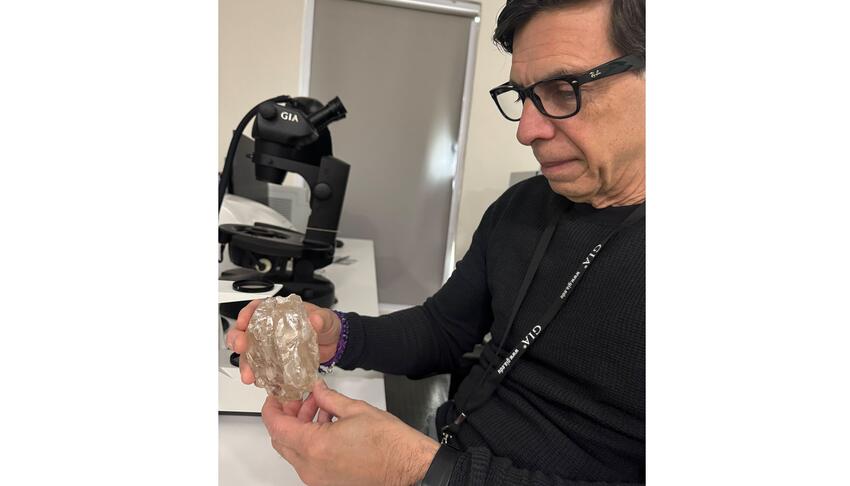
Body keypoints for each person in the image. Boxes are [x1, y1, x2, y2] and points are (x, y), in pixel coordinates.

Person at [225, 0, 646, 484]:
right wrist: (336, 336)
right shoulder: (522, 208)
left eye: (562, 88)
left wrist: (416, 471)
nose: (527, 130)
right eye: (523, 95)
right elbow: (443, 330)